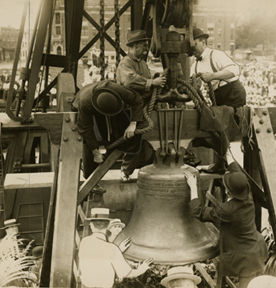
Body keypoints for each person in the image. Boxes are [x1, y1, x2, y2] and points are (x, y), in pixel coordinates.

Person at [186, 148, 267, 288]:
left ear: (228, 191)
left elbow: (199, 212)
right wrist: (227, 152)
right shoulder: (247, 195)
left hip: (245, 258)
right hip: (256, 247)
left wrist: (193, 187)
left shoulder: (227, 210)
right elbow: (238, 173)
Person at [189, 28, 246, 174]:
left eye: (194, 44)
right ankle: (221, 163)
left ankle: (226, 162)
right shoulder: (194, 65)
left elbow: (235, 70)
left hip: (233, 93)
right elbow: (191, 88)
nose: (191, 48)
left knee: (220, 125)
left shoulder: (216, 55)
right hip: (218, 96)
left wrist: (213, 76)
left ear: (203, 42)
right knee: (215, 126)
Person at [116, 29, 166, 182]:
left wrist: (159, 77)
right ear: (135, 46)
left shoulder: (142, 63)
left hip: (143, 106)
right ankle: (125, 171)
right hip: (130, 110)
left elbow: (149, 76)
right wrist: (152, 82)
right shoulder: (125, 63)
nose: (146, 49)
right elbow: (129, 81)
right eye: (143, 46)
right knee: (134, 139)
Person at [76, 80, 144, 192]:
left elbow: (137, 100)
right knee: (90, 141)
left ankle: (126, 170)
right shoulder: (85, 102)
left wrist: (133, 123)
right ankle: (89, 176)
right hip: (86, 109)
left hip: (111, 107)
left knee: (132, 134)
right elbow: (85, 128)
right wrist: (95, 152)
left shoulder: (117, 90)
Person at [78, 208, 152, 288]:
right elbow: (126, 273)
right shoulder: (111, 248)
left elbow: (98, 257)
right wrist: (142, 268)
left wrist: (118, 251)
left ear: (91, 225)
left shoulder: (84, 242)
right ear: (107, 227)